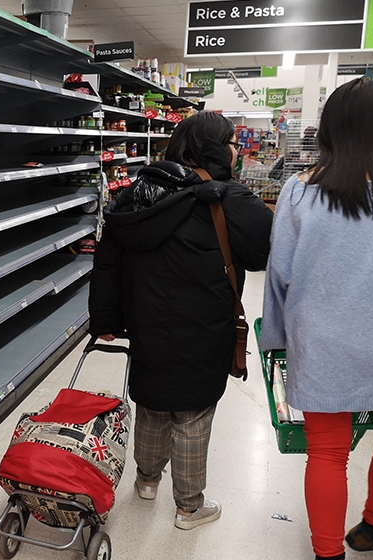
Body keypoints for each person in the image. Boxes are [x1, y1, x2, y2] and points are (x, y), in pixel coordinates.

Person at [260, 78, 373, 560]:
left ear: (328, 130)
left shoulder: (299, 192)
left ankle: (327, 555)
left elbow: (280, 275)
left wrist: (277, 339)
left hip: (320, 344)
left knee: (326, 451)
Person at [89, 111, 273, 530]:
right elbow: (264, 251)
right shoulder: (227, 198)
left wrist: (106, 318)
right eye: (231, 143)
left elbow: (108, 260)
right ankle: (189, 506)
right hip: (204, 324)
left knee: (153, 402)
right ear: (214, 148)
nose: (235, 151)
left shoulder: (137, 193)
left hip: (147, 320)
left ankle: (147, 480)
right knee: (193, 412)